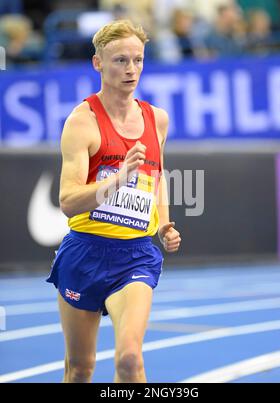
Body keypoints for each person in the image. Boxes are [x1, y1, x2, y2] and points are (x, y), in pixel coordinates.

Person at [46, 19, 181, 383]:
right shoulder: (81, 123)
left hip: (134, 255)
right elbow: (69, 201)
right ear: (98, 63)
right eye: (120, 60)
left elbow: (157, 178)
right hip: (85, 252)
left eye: (138, 60)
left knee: (130, 360)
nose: (131, 69)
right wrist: (119, 179)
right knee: (80, 369)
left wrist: (164, 223)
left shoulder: (158, 120)